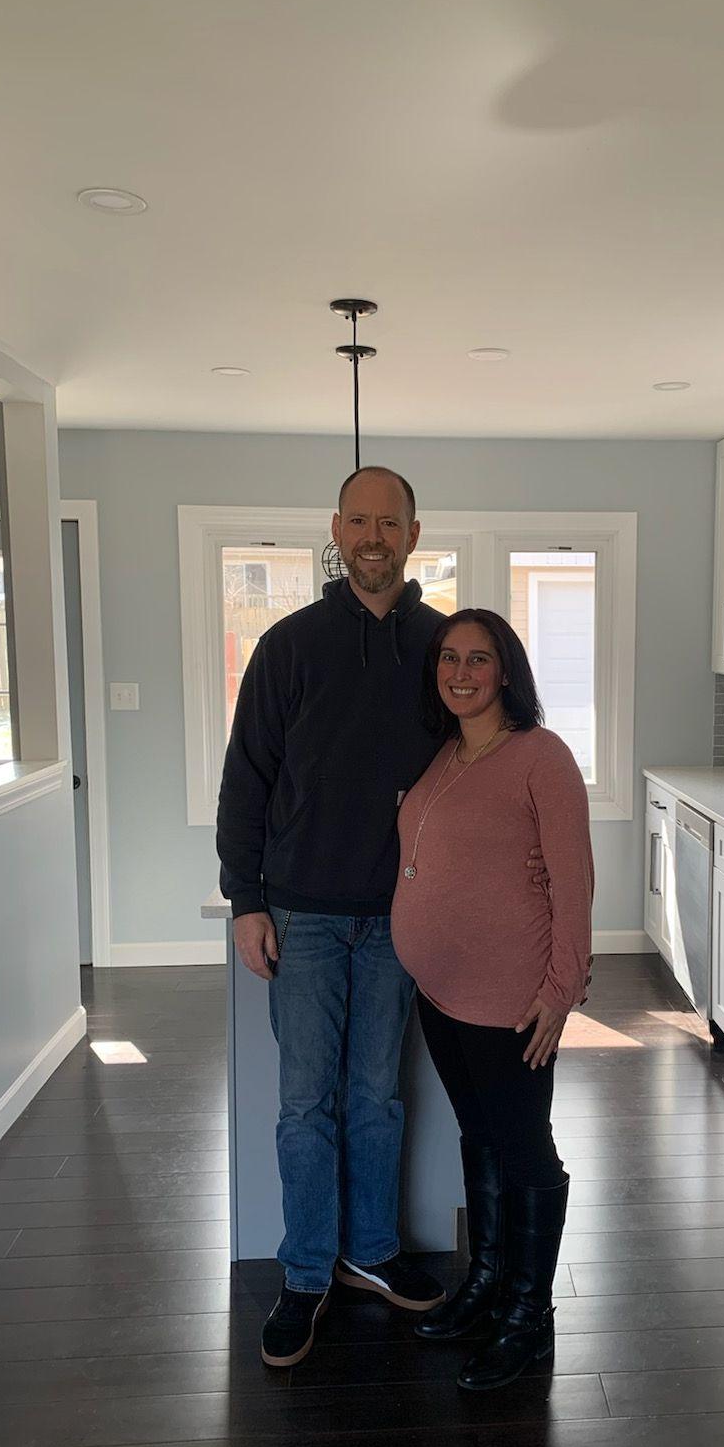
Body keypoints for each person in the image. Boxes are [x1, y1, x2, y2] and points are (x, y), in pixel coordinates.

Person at [216, 465, 451, 1368]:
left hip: (400, 920)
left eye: (388, 522)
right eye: (359, 520)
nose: (373, 537)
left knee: (378, 1100)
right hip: (304, 917)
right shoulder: (288, 647)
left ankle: (372, 1253)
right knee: (305, 1106)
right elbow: (248, 781)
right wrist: (247, 900)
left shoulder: (442, 649)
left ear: (413, 534)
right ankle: (307, 1271)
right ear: (337, 529)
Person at [391, 608, 594, 1391]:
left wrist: (563, 989)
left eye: (479, 659)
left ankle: (527, 1317)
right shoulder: (446, 753)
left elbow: (574, 885)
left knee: (525, 1151)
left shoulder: (541, 757)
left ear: (506, 670)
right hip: (440, 995)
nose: (462, 672)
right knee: (480, 1135)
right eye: (449, 658)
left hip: (511, 1000)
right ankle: (486, 1283)